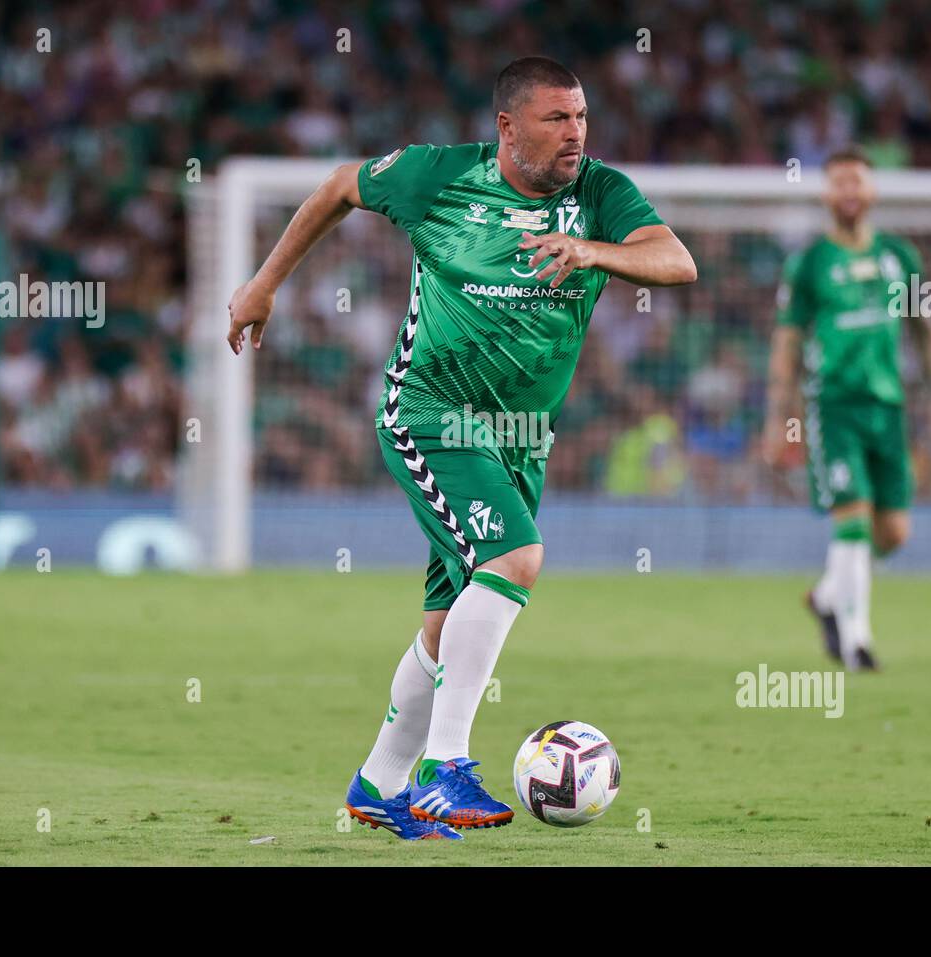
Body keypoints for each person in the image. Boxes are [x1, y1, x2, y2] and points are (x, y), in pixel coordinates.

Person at [226, 57, 696, 839]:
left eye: (581, 117)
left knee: (447, 625)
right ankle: (445, 768)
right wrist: (264, 282)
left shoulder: (600, 196)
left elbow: (676, 260)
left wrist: (594, 252)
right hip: (431, 411)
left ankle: (376, 785)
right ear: (508, 127)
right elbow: (341, 186)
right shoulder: (437, 178)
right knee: (515, 559)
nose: (576, 133)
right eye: (556, 119)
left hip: (519, 440)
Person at [763, 146, 931, 671]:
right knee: (851, 519)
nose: (849, 192)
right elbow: (786, 341)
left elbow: (926, 332)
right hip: (833, 405)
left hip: (888, 408)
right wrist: (777, 414)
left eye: (858, 182)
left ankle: (829, 593)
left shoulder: (900, 256)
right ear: (826, 194)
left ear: (872, 191)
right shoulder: (810, 263)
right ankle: (856, 641)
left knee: (893, 532)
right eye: (839, 182)